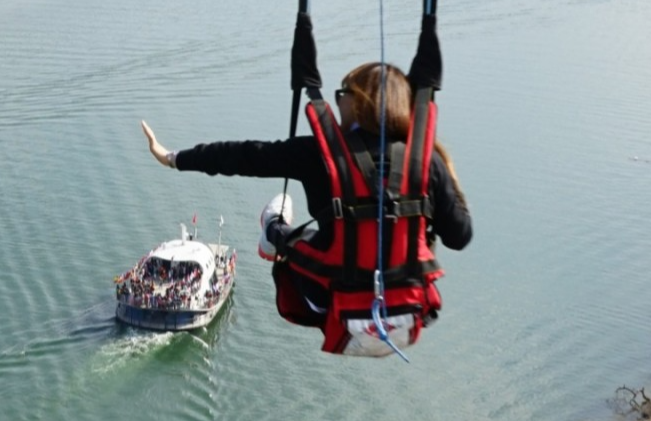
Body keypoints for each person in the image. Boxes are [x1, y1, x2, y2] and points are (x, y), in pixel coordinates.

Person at [141, 61, 471, 356]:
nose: (338, 100)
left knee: (293, 234)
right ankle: (278, 230)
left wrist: (173, 158)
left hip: (329, 303)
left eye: (343, 93)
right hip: (408, 312)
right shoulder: (426, 164)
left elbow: (245, 156)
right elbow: (459, 236)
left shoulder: (320, 155)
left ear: (359, 103)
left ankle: (273, 228)